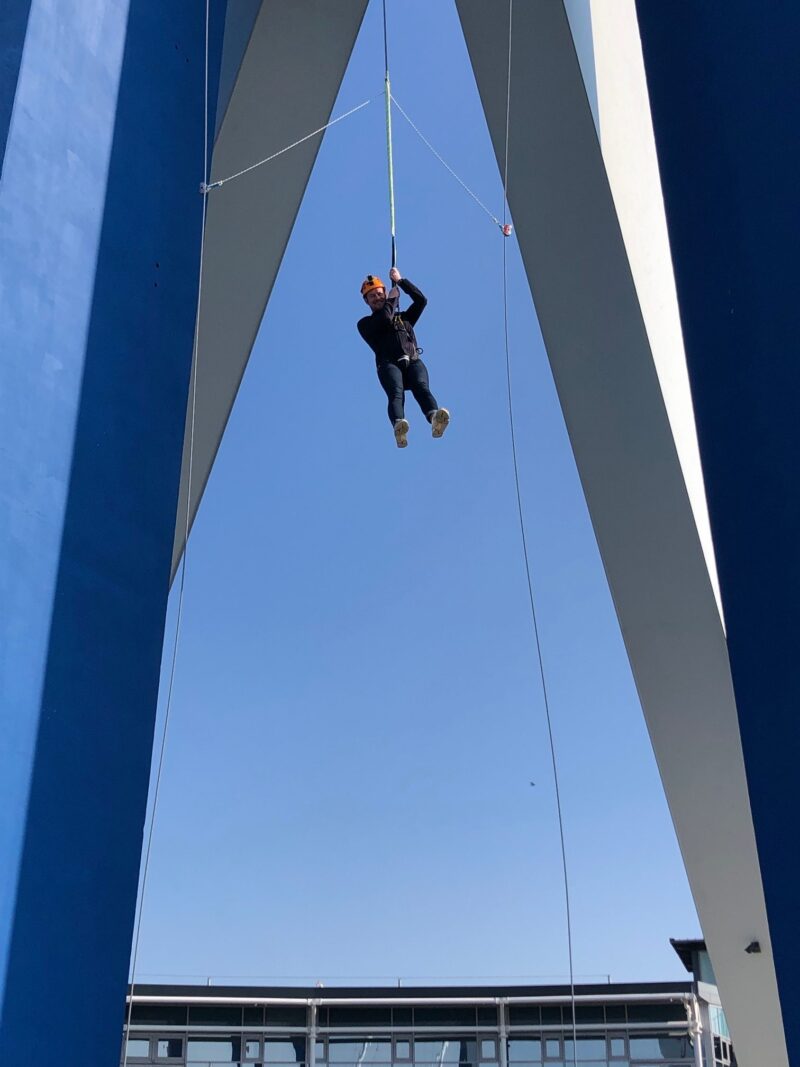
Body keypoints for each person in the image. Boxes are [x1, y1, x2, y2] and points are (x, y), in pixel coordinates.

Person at [357, 267, 450, 448]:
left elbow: (421, 301)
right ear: (367, 301)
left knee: (422, 388)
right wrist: (392, 299)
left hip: (412, 360)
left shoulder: (404, 318)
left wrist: (401, 282)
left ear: (384, 293)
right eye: (372, 296)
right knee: (396, 394)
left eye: (379, 294)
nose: (377, 298)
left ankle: (434, 418)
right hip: (389, 364)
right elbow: (384, 318)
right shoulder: (365, 324)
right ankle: (399, 425)